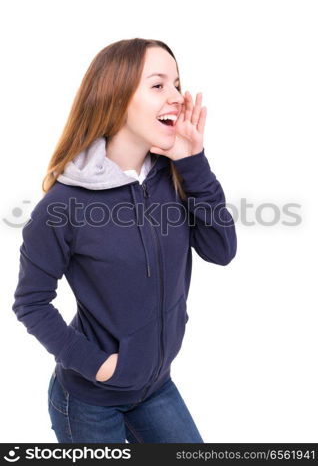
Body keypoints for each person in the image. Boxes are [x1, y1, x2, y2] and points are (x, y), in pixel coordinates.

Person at [12, 38, 237, 443]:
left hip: (155, 387)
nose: (177, 97)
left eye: (177, 82)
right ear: (115, 97)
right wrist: (95, 365)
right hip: (89, 399)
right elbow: (31, 302)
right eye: (158, 85)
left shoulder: (173, 178)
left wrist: (193, 163)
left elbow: (221, 251)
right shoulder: (64, 205)